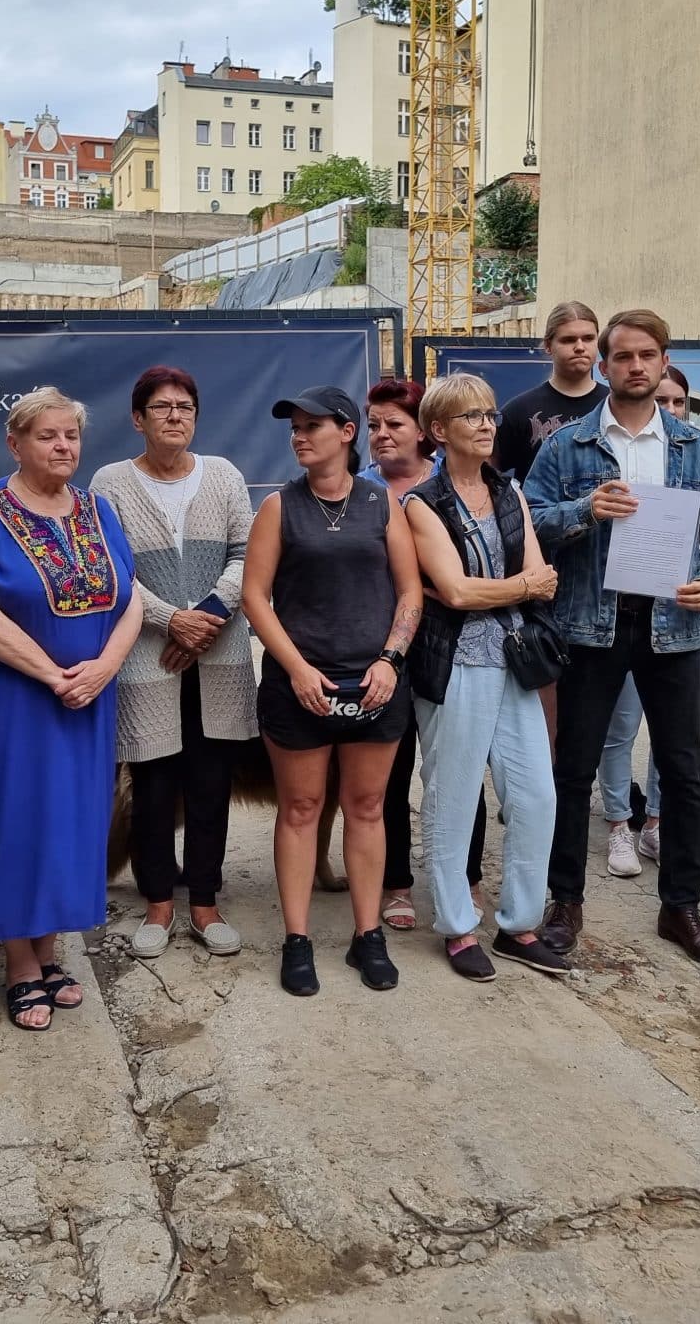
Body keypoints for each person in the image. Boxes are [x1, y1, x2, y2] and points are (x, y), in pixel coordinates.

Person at [525, 310, 700, 969]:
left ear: (664, 360)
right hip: (591, 625)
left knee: (683, 771)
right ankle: (565, 902)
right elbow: (528, 521)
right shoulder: (568, 446)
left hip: (673, 623)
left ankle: (681, 907)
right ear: (604, 364)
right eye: (623, 356)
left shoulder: (691, 446)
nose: (637, 366)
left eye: (649, 355)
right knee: (574, 769)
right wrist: (582, 511)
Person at [0, 388, 141, 1030]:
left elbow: (131, 594)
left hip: (87, 697)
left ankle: (50, 953)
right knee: (14, 820)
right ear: (15, 443)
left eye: (71, 436)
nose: (63, 447)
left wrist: (106, 666)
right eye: (47, 436)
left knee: (73, 822)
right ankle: (20, 963)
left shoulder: (98, 509)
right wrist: (54, 674)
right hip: (9, 697)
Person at [242, 386, 422, 997]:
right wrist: (294, 668)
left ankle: (366, 935)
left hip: (375, 682)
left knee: (367, 808)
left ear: (347, 433)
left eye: (312, 424)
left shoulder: (383, 504)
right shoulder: (277, 508)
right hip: (302, 685)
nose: (299, 435)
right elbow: (254, 599)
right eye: (293, 426)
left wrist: (391, 660)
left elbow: (410, 593)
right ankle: (298, 940)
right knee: (300, 810)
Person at [403, 374, 567, 981]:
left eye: (491, 413)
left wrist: (510, 588)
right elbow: (455, 590)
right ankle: (456, 926)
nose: (487, 424)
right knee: (452, 795)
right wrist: (520, 587)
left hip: (512, 660)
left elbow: (536, 575)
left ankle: (519, 924)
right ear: (439, 432)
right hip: (455, 666)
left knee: (535, 796)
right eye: (471, 416)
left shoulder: (508, 491)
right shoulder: (422, 503)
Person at [90, 366, 257, 960]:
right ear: (138, 419)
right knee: (155, 788)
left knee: (211, 784)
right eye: (161, 407)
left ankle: (205, 903)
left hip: (219, 654)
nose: (174, 416)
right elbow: (113, 570)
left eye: (185, 406)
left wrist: (207, 614)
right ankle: (158, 903)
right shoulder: (109, 483)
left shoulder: (225, 477)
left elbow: (246, 553)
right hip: (146, 656)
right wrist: (172, 620)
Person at [360, 378, 481, 931]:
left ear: (425, 432)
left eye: (394, 424)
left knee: (458, 769)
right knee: (389, 770)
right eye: (374, 425)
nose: (382, 435)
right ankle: (397, 884)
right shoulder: (359, 490)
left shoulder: (454, 484)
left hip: (455, 645)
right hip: (382, 650)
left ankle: (467, 876)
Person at [595, 364, 700, 875]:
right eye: (661, 399)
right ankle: (619, 822)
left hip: (682, 611)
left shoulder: (695, 450)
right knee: (620, 724)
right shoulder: (599, 444)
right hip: (613, 609)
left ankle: (657, 822)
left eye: (678, 401)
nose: (668, 408)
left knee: (675, 736)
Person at [493, 301, 608, 484]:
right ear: (548, 345)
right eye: (568, 340)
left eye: (588, 338)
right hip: (538, 511)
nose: (580, 347)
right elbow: (487, 476)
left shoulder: (615, 406)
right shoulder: (519, 411)